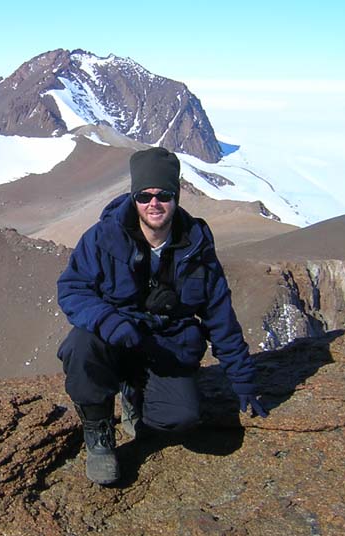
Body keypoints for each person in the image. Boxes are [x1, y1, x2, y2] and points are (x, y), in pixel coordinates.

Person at [56, 146, 267, 485]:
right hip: (116, 338)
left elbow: (220, 317)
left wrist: (243, 382)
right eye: (144, 195)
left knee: (180, 419)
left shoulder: (197, 247)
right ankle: (99, 435)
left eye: (163, 194)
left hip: (165, 347)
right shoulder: (102, 238)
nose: (154, 203)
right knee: (81, 344)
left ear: (177, 196)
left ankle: (134, 394)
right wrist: (109, 321)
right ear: (134, 197)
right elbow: (72, 289)